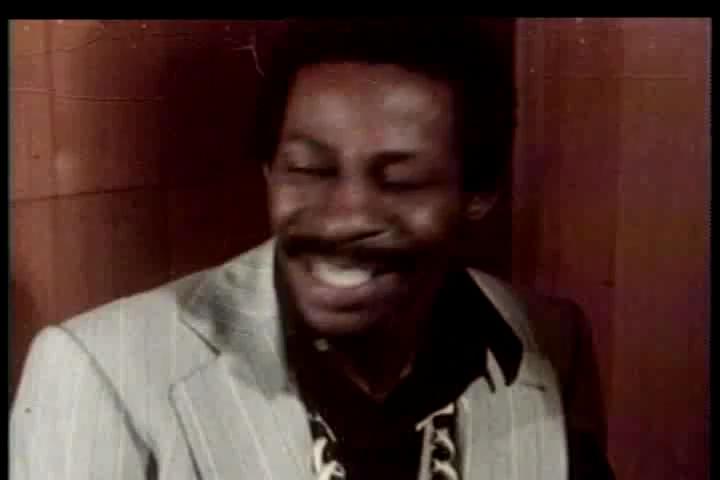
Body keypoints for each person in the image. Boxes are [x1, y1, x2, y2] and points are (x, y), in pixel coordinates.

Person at [10, 19, 614, 480]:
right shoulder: (102, 373)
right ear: (269, 171)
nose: (344, 217)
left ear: (479, 194)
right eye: (309, 170)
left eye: (400, 181)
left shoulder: (550, 340)